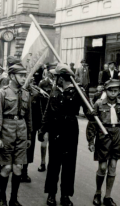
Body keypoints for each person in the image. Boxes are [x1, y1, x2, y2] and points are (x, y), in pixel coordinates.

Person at [38, 63, 93, 206]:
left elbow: (89, 112)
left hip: (70, 129)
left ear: (62, 78)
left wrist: (93, 112)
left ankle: (65, 195)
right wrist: (42, 129)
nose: (54, 78)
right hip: (55, 129)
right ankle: (51, 194)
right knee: (54, 163)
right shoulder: (54, 90)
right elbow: (48, 112)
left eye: (56, 76)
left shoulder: (78, 91)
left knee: (69, 164)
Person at [0, 63, 32, 206]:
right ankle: (2, 198)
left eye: (24, 75)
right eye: (21, 75)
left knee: (18, 167)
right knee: (7, 167)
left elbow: (28, 117)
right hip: (6, 131)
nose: (23, 78)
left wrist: (29, 137)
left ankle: (14, 199)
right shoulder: (3, 92)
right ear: (12, 76)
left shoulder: (26, 93)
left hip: (21, 131)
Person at [87, 79, 120, 206]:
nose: (113, 93)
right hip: (103, 134)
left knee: (113, 167)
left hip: (117, 134)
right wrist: (91, 141)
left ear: (118, 92)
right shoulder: (98, 104)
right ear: (106, 91)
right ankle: (98, 192)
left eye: (115, 91)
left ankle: (108, 196)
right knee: (102, 167)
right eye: (110, 90)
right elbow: (92, 124)